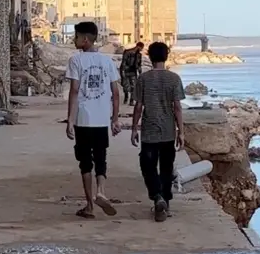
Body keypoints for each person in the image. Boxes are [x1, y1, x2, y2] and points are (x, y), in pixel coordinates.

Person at [65, 21, 120, 218]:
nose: (74, 40)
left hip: (83, 119)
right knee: (101, 158)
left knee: (85, 162)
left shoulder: (76, 61)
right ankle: (101, 192)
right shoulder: (108, 62)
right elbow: (115, 92)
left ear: (85, 40)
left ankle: (89, 205)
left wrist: (70, 120)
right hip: (102, 119)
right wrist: (115, 119)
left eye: (77, 36)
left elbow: (74, 91)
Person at [131, 41, 184, 222]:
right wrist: (181, 132)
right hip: (168, 130)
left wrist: (133, 129)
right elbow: (177, 107)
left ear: (150, 57)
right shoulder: (174, 78)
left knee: (148, 166)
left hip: (149, 130)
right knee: (167, 168)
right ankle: (165, 203)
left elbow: (138, 106)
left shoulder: (143, 79)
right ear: (166, 56)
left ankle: (157, 197)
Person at [120, 41, 144, 105]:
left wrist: (140, 73)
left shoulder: (139, 55)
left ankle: (131, 101)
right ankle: (126, 97)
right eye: (141, 48)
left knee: (134, 86)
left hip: (133, 72)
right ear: (139, 46)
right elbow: (123, 62)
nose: (141, 50)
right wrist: (122, 72)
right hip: (126, 71)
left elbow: (139, 65)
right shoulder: (127, 52)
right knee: (125, 86)